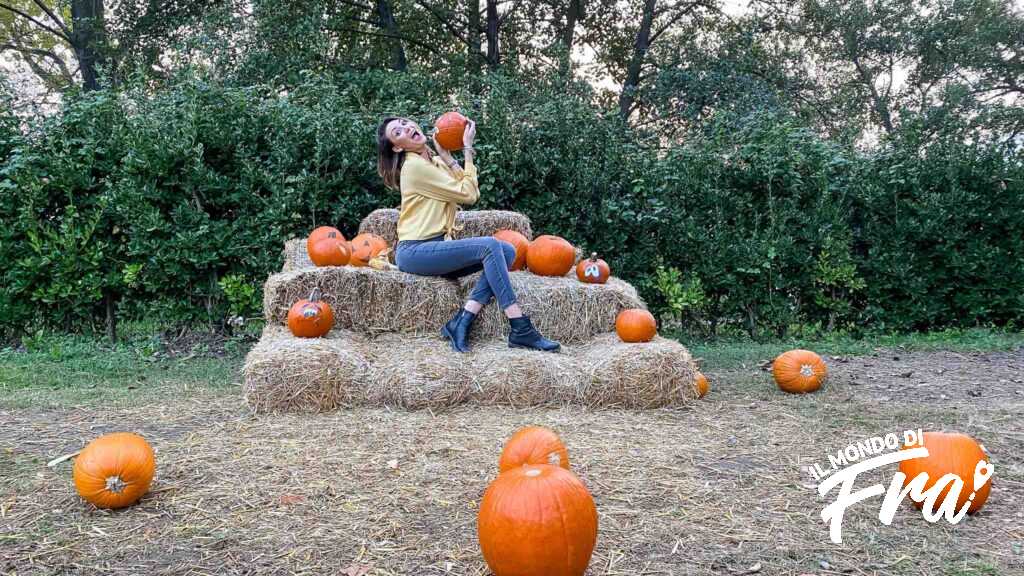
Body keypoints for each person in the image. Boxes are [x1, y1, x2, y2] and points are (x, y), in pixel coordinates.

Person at [375, 115, 559, 353]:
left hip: (434, 246)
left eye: (404, 123)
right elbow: (468, 195)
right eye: (397, 132)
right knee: (490, 246)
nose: (406, 128)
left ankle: (463, 319)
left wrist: (447, 156)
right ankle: (520, 326)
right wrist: (468, 150)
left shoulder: (433, 162)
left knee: (507, 250)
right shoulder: (415, 167)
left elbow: (467, 186)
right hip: (415, 252)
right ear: (398, 147)